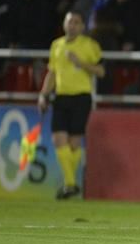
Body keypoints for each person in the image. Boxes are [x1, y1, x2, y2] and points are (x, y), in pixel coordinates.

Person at [37, 10, 105, 200]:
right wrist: (43, 94)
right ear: (64, 24)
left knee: (74, 142)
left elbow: (100, 71)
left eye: (76, 22)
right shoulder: (56, 45)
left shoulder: (90, 45)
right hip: (61, 96)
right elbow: (51, 73)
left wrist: (80, 63)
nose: (72, 25)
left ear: (83, 26)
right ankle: (71, 183)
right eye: (69, 22)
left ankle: (70, 185)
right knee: (58, 139)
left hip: (81, 97)